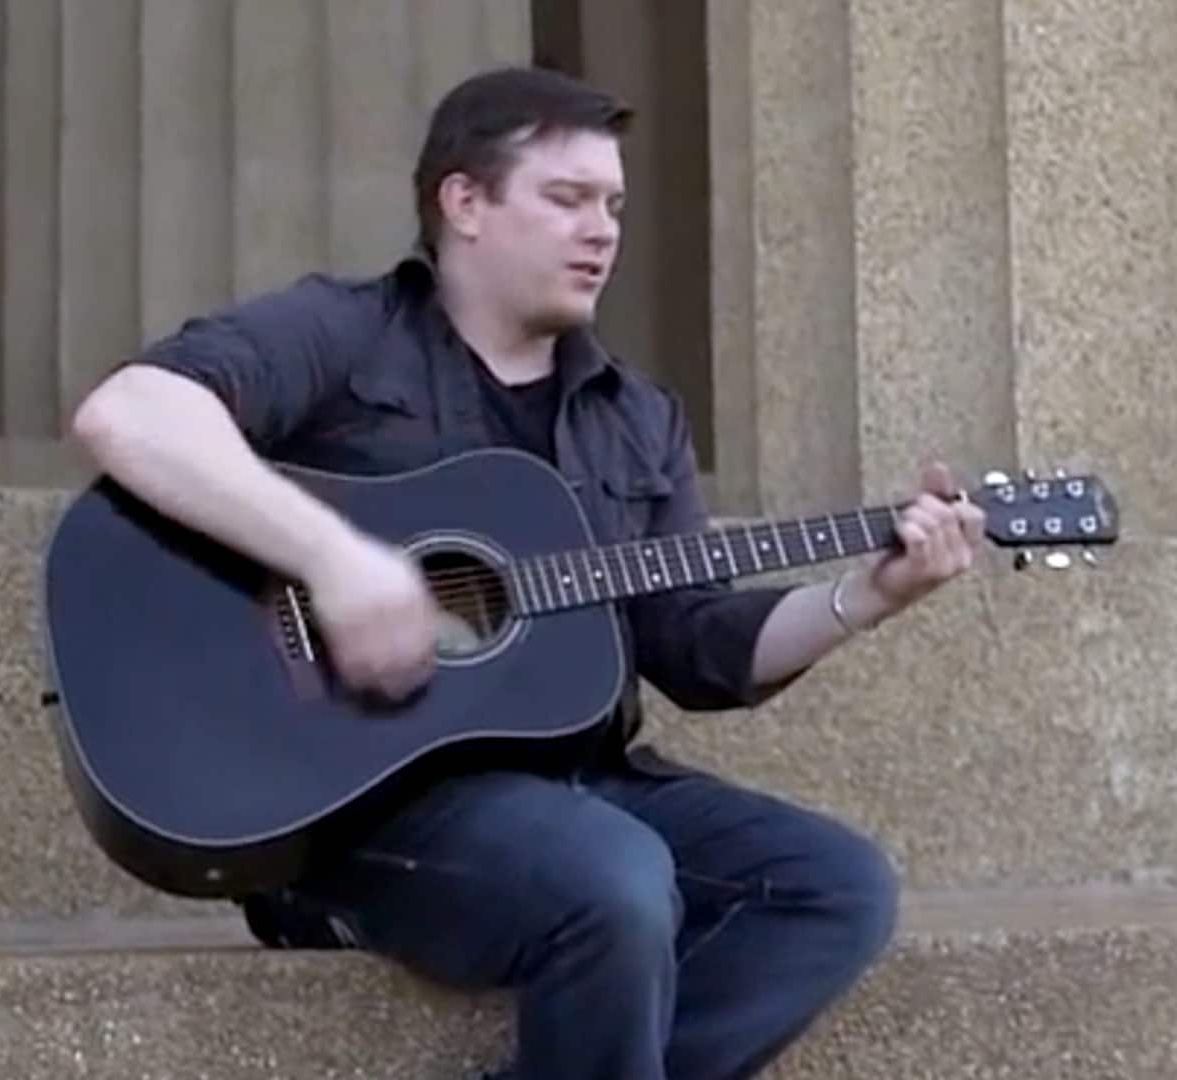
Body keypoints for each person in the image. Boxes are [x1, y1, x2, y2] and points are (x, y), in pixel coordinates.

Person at [69, 65, 986, 1080]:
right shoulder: (347, 333)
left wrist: (867, 596)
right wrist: (332, 558)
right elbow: (130, 413)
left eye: (615, 206)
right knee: (618, 878)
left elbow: (695, 646)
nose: (603, 231)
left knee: (834, 887)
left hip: (579, 786)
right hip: (359, 806)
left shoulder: (635, 417)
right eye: (567, 199)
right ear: (464, 202)